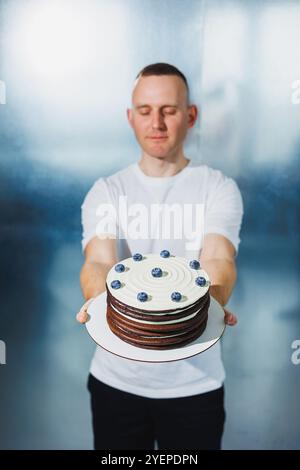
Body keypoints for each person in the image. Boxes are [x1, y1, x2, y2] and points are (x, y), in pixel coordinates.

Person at [76, 63, 243, 450]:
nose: (157, 123)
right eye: (146, 110)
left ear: (191, 116)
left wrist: (211, 307)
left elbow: (218, 259)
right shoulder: (106, 191)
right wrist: (97, 301)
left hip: (195, 385)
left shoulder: (218, 188)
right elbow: (99, 262)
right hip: (115, 383)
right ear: (130, 117)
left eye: (169, 110)